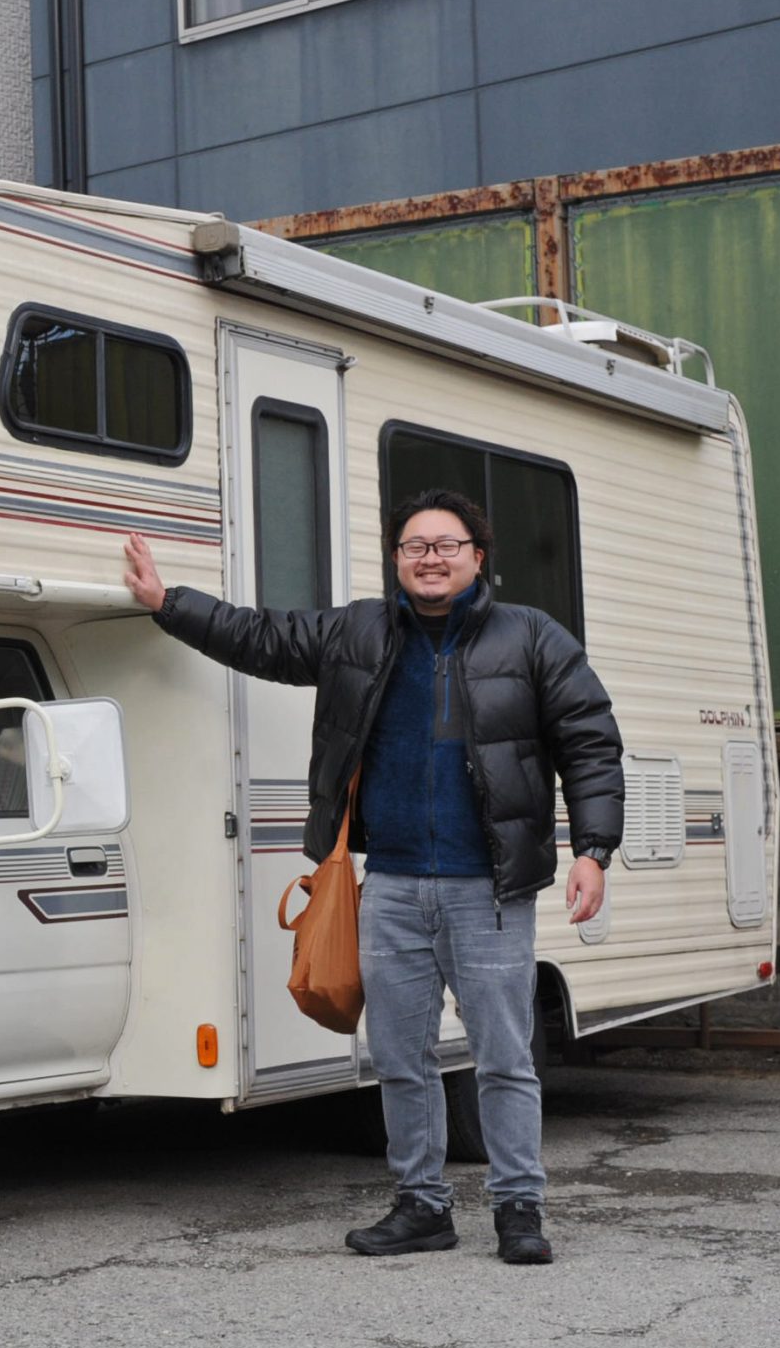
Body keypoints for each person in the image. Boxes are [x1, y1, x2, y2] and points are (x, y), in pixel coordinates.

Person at [122, 491, 624, 1265]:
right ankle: (421, 1205)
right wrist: (168, 603)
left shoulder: (531, 637)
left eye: (447, 545)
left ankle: (519, 1207)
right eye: (415, 546)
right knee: (399, 1059)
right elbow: (262, 638)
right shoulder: (358, 631)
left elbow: (590, 742)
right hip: (389, 884)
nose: (431, 558)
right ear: (396, 560)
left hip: (490, 891)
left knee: (503, 1058)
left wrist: (592, 848)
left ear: (477, 556)